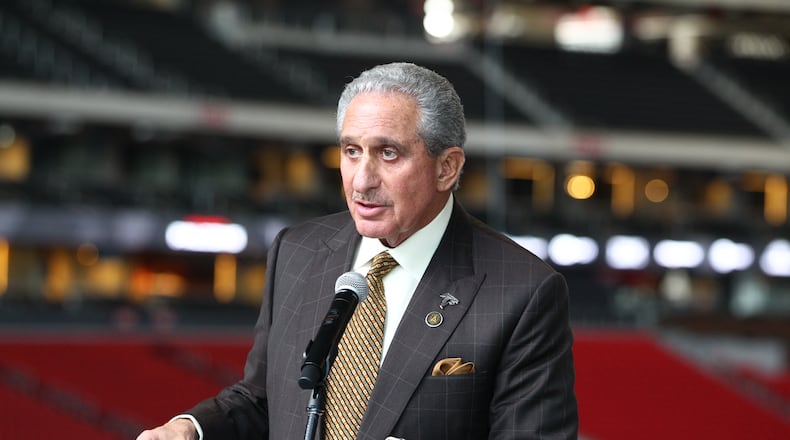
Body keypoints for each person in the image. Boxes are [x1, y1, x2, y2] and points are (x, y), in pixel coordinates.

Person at [137, 62, 577, 440]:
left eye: (388, 154)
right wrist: (191, 428)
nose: (361, 180)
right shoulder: (297, 250)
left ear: (448, 168)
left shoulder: (523, 291)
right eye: (351, 151)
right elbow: (265, 399)